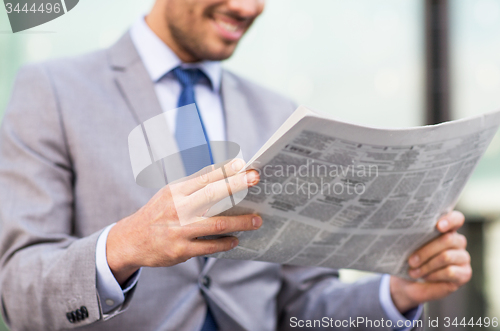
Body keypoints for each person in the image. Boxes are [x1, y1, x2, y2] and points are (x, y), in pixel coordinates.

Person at [0, 0, 472, 330]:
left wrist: (398, 293)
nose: (249, 7)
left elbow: (302, 306)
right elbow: (17, 290)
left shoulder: (279, 115)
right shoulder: (53, 91)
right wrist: (126, 245)